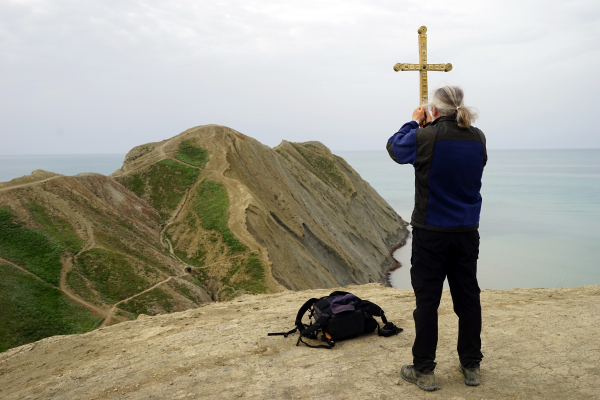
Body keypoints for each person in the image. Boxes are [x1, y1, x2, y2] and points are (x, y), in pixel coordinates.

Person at [386, 86, 487, 391]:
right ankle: (471, 366)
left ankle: (424, 370)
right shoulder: (478, 137)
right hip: (467, 232)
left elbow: (395, 149)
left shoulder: (425, 136)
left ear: (433, 109)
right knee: (468, 299)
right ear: (458, 107)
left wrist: (414, 122)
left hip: (432, 233)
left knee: (427, 301)